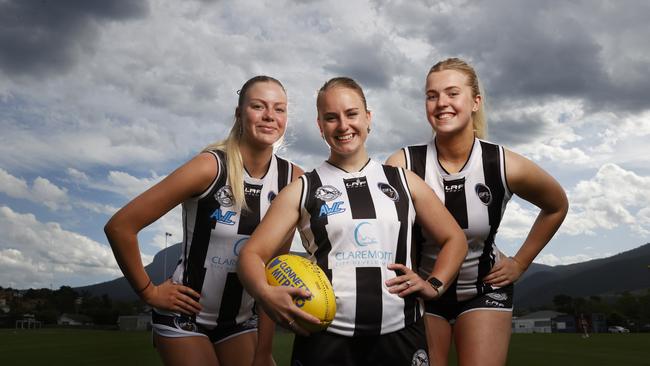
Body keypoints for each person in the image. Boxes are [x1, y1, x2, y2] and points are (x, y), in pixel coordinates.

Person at [237, 77, 468, 366]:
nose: (343, 126)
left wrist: (434, 284)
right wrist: (264, 293)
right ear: (320, 126)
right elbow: (250, 254)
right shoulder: (303, 188)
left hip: (401, 335)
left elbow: (454, 238)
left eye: (352, 114)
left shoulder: (403, 181)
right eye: (331, 118)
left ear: (368, 118)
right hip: (326, 340)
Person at [104, 75, 303, 366]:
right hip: (185, 317)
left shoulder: (293, 179)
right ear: (239, 114)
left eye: (279, 109)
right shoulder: (209, 167)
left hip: (239, 322)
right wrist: (149, 292)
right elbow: (121, 226)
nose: (269, 116)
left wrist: (263, 351)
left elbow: (274, 270)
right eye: (258, 106)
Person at [386, 58, 569, 366]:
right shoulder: (404, 164)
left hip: (485, 291)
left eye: (452, 93)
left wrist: (521, 262)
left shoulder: (502, 164)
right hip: (422, 293)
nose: (441, 102)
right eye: (432, 95)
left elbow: (557, 205)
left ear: (475, 101)